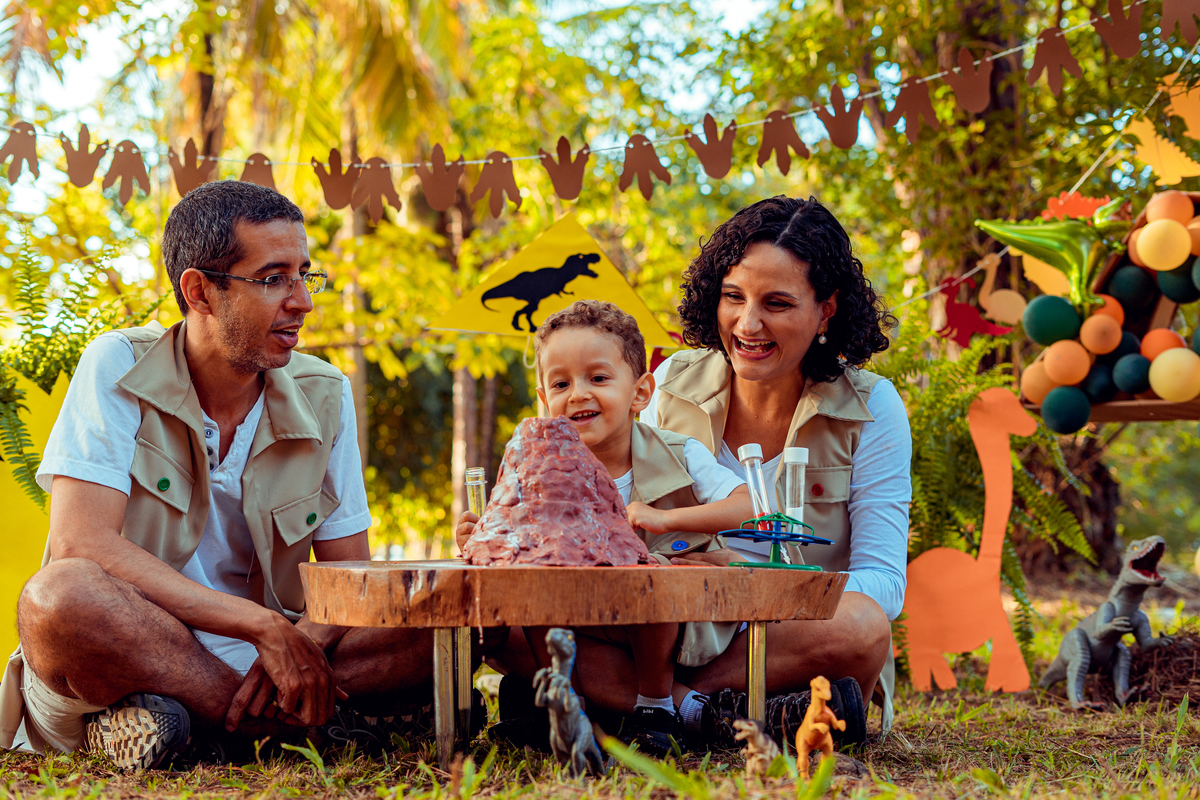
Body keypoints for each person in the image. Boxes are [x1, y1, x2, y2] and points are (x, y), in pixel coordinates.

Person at [0, 181, 435, 770]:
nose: (303, 300)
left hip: (272, 654)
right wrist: (260, 628)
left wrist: (298, 641)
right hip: (141, 643)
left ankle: (185, 726)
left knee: (443, 611)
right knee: (60, 595)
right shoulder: (119, 363)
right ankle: (298, 727)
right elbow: (82, 542)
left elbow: (346, 574)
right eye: (274, 278)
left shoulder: (325, 392)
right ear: (200, 291)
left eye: (306, 275)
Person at [638, 195, 911, 747]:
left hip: (790, 634)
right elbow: (613, 507)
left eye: (778, 303)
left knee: (861, 627)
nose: (748, 323)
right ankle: (727, 715)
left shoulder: (872, 407)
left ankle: (652, 703)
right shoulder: (669, 384)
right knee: (511, 629)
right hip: (666, 622)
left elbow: (885, 584)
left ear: (826, 310)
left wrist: (744, 583)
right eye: (733, 297)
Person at [455, 300, 754, 755]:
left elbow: (750, 506)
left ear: (640, 392)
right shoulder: (534, 469)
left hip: (671, 625)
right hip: (580, 619)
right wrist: (482, 537)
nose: (577, 394)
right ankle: (564, 702)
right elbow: (508, 538)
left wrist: (666, 519)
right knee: (528, 593)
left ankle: (657, 707)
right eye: (561, 383)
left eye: (597, 379)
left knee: (647, 574)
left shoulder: (680, 452)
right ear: (543, 400)